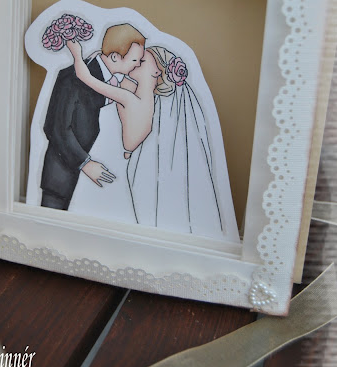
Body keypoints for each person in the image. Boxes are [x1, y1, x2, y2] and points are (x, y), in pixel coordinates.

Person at [66, 40, 240, 243]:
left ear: (157, 73)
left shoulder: (131, 99)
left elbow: (85, 77)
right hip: (119, 164)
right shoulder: (144, 98)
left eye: (141, 62)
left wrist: (77, 54)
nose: (135, 63)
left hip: (113, 170)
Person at [40, 23, 145, 210]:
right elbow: (56, 128)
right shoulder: (71, 77)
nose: (138, 64)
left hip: (100, 190)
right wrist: (85, 163)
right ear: (115, 57)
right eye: (135, 60)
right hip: (63, 177)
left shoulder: (125, 84)